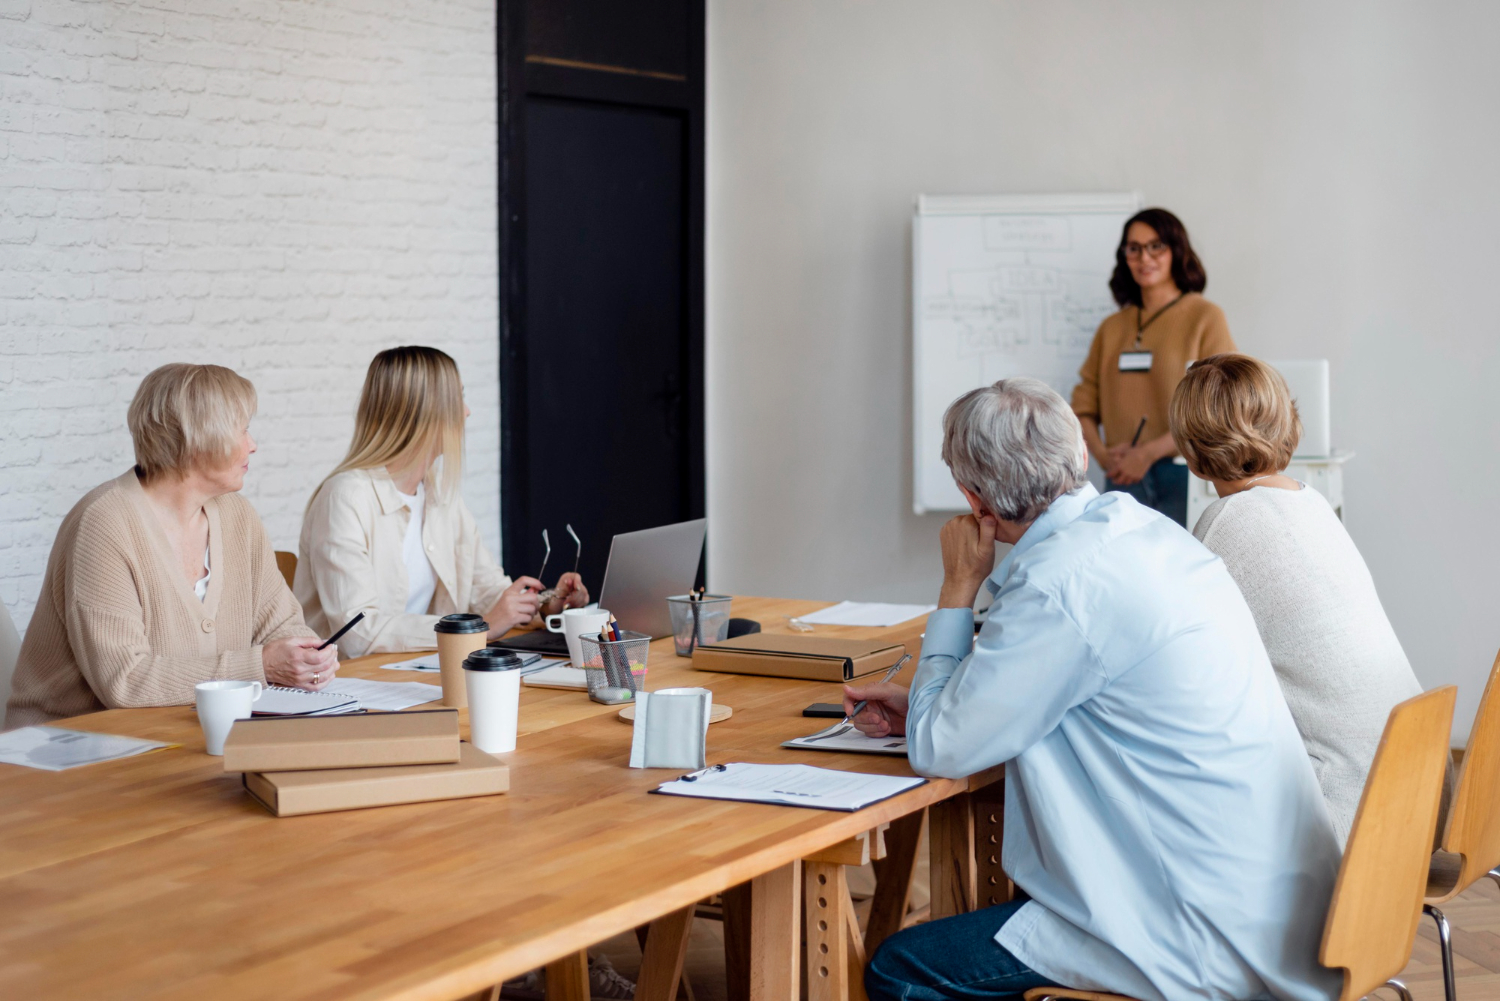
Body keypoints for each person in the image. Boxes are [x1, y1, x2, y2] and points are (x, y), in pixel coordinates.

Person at [844, 378, 1341, 1001]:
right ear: (1080, 455)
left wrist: (957, 587)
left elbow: (940, 748)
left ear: (974, 500)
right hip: (1286, 905)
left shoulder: (1056, 586)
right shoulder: (1144, 531)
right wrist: (936, 695)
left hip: (1199, 932)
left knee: (900, 967)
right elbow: (1049, 683)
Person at [1170, 354, 1424, 847]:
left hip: (1353, 816)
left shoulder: (1226, 521)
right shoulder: (1311, 501)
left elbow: (1185, 667)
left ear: (1193, 450)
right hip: (1417, 789)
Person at [5, 364, 337, 729]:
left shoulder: (238, 516)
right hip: (69, 747)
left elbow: (282, 625)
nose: (253, 444)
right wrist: (261, 666)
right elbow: (125, 681)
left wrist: (308, 656)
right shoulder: (105, 525)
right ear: (198, 438)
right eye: (241, 429)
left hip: (180, 734)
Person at [296, 346, 589, 658]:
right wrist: (479, 628)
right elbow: (356, 632)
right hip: (351, 687)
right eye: (458, 399)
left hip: (418, 674)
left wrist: (550, 603)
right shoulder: (345, 498)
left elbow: (486, 592)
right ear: (423, 412)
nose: (466, 412)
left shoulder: (440, 496)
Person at [1071, 208, 1235, 526]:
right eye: (1134, 248)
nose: (1144, 258)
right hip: (1121, 476)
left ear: (1176, 251)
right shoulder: (1111, 328)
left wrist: (1146, 454)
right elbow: (1082, 407)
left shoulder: (1205, 317)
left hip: (1185, 471)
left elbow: (1218, 404)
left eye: (1156, 246)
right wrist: (1104, 458)